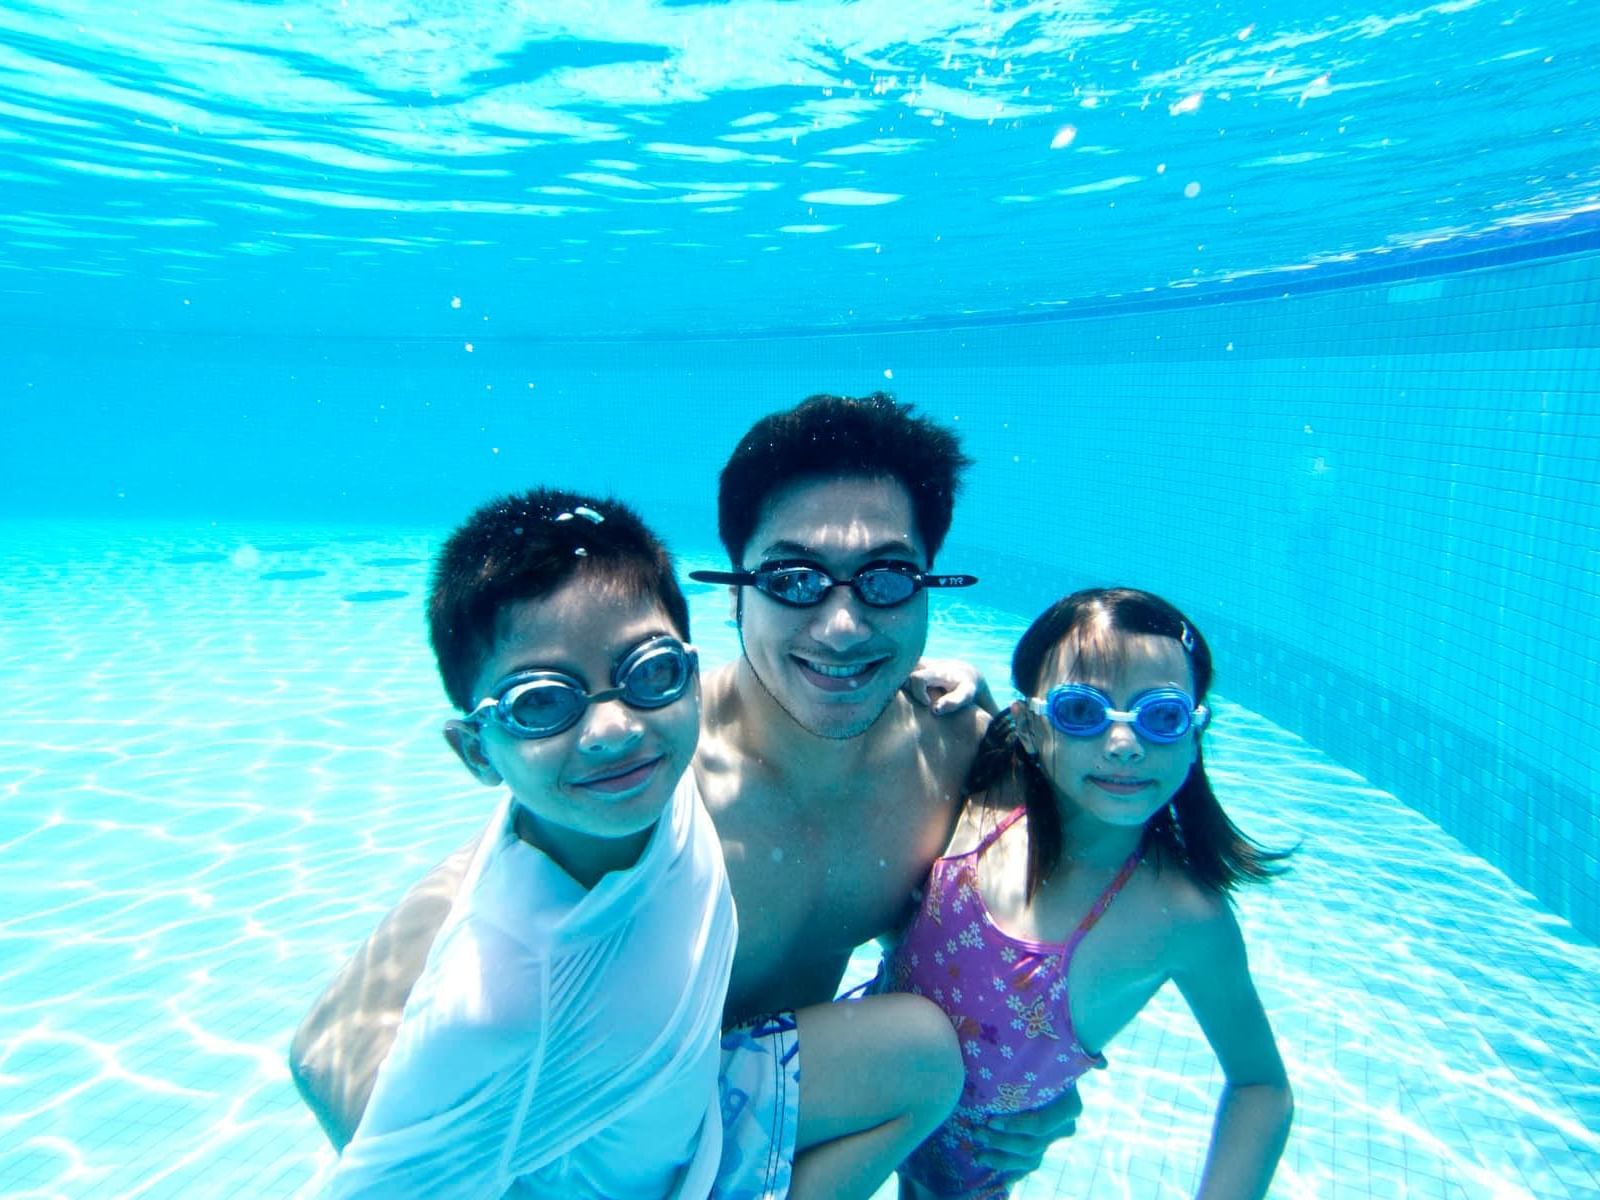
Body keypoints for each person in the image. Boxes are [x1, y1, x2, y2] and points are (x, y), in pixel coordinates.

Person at [290, 394, 1083, 1191]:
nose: (842, 627)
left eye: (886, 576)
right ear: (736, 592)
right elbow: (328, 1045)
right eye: (794, 578)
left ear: (927, 588)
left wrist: (1035, 1088)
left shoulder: (959, 751)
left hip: (766, 1117)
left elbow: (1052, 933)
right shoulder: (644, 775)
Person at [881, 587, 1295, 1199]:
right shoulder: (995, 791)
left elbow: (1262, 1086)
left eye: (1161, 716)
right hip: (866, 1092)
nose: (1125, 744)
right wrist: (966, 678)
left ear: (1194, 733)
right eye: (1083, 712)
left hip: (957, 1181)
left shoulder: (1181, 916)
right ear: (1028, 724)